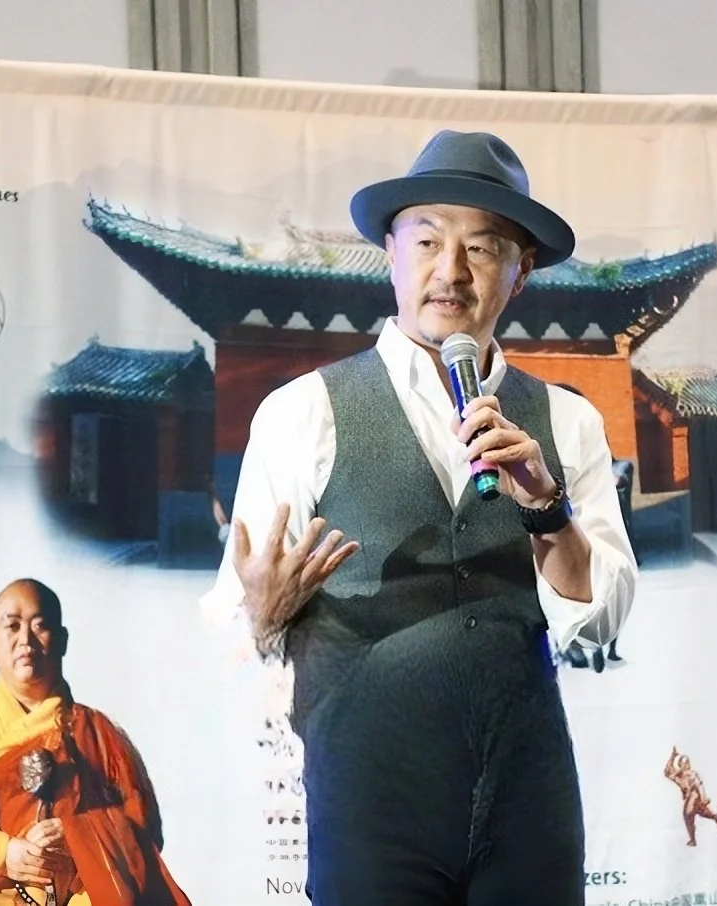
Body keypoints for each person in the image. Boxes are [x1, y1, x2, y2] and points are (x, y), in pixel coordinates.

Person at [200, 130, 638, 905]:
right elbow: (234, 623)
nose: (452, 271)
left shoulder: (567, 424)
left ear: (521, 270)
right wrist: (262, 615)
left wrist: (544, 505)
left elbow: (598, 620)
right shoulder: (302, 413)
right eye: (429, 239)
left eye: (484, 246)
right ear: (392, 254)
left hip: (527, 800)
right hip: (372, 801)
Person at [0, 578, 191, 906]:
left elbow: (144, 829)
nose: (25, 640)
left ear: (63, 640)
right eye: (12, 626)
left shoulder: (100, 734)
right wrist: (4, 851)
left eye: (39, 626)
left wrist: (77, 839)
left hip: (80, 888)